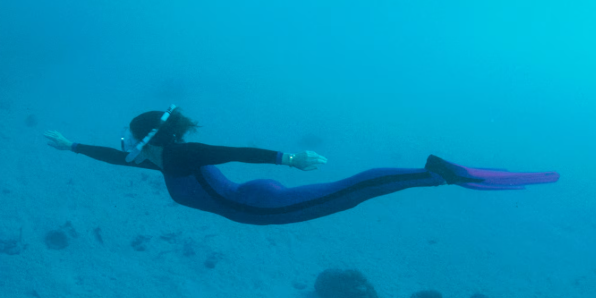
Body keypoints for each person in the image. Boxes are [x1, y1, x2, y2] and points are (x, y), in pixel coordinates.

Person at [44, 105, 558, 226]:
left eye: (130, 137)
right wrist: (71, 148)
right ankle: (432, 174)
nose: (125, 144)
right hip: (250, 196)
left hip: (260, 206)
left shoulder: (176, 155)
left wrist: (287, 158)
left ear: (149, 138)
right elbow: (118, 160)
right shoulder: (158, 159)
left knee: (350, 191)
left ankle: (436, 174)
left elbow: (231, 152)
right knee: (348, 191)